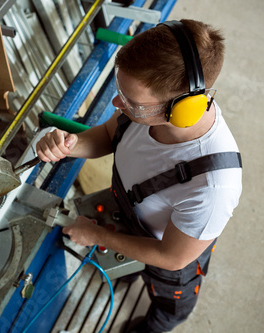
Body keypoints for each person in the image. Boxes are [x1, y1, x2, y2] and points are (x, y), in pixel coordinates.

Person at [36, 19, 242, 333]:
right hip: (130, 214)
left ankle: (155, 326)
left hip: (167, 252)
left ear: (184, 108)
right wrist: (68, 144)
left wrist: (98, 236)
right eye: (121, 92)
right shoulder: (146, 109)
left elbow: (171, 258)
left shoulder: (213, 186)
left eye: (132, 103)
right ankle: (129, 268)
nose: (118, 104)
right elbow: (107, 134)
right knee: (130, 259)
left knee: (169, 304)